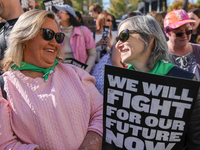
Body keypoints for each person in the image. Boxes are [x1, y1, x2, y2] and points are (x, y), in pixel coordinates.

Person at [0, 9, 103, 149]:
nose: (55, 43)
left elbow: (101, 111)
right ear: (24, 37)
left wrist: (92, 141)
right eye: (48, 34)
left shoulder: (76, 73)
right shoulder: (5, 87)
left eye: (58, 37)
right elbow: (4, 144)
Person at [115, 14, 200, 149]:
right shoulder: (118, 82)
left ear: (148, 38)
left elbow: (196, 140)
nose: (118, 45)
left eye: (124, 36)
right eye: (117, 39)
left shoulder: (185, 81)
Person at [52, 4, 96, 73]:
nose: (57, 14)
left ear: (68, 15)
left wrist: (85, 72)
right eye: (56, 12)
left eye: (60, 12)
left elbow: (92, 54)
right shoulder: (55, 32)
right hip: (61, 74)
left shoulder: (84, 31)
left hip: (80, 74)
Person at [164, 9, 200, 80]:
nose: (184, 36)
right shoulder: (158, 54)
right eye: (179, 33)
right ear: (167, 33)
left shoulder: (198, 51)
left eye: (188, 31)